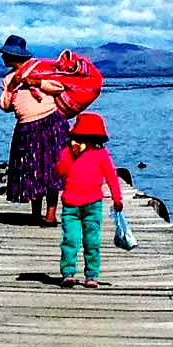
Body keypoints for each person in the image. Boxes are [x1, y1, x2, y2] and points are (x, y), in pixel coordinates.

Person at [0, 34, 67, 225]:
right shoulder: (9, 78)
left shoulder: (41, 69)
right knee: (32, 169)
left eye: (5, 54)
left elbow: (59, 87)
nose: (2, 58)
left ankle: (50, 215)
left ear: (13, 55)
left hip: (50, 124)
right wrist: (10, 87)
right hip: (26, 128)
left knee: (52, 170)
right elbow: (5, 105)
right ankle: (35, 214)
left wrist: (35, 82)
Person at [54, 112, 124, 289]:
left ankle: (91, 274)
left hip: (93, 203)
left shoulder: (101, 155)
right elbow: (60, 172)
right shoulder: (68, 152)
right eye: (79, 137)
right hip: (71, 204)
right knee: (70, 239)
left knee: (92, 241)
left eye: (87, 138)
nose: (82, 141)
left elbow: (111, 177)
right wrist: (70, 156)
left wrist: (117, 198)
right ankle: (68, 273)